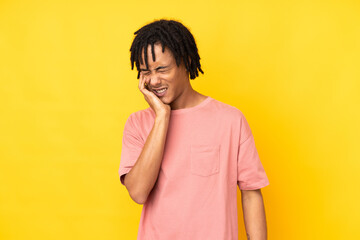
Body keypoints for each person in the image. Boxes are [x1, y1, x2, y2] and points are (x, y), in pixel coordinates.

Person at [118, 19, 270, 240]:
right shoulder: (137, 123)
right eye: (145, 72)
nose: (153, 80)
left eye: (161, 69)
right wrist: (162, 116)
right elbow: (138, 192)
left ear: (186, 61)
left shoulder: (230, 120)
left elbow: (251, 192)